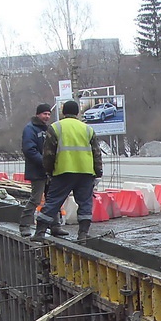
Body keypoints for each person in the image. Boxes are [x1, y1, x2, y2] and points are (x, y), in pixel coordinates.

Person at [33, 100, 102, 244]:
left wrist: (49, 171)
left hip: (63, 172)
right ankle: (83, 234)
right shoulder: (87, 129)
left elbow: (48, 154)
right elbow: (96, 153)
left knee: (53, 202)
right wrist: (98, 172)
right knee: (85, 203)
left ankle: (39, 233)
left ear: (63, 112)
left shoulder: (55, 128)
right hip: (85, 172)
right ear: (78, 113)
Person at [20, 102, 64, 237]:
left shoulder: (48, 129)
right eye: (44, 114)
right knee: (36, 199)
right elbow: (29, 150)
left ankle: (55, 226)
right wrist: (44, 162)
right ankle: (25, 225)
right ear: (38, 114)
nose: (47, 116)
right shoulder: (30, 129)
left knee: (53, 199)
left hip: (49, 171)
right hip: (37, 171)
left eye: (48, 114)